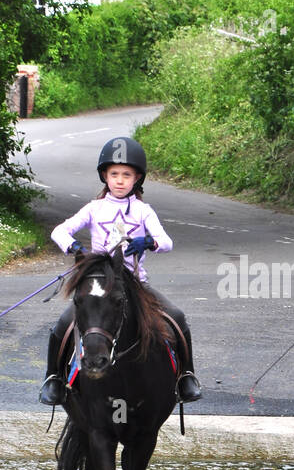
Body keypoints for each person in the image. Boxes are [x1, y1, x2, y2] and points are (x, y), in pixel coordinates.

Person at [39, 136, 202, 405]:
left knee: (177, 316)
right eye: (114, 174)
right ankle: (53, 379)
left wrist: (148, 241)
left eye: (126, 175)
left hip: (135, 285)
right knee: (63, 325)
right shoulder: (94, 207)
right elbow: (59, 231)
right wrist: (73, 246)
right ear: (105, 175)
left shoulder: (143, 211)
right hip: (98, 283)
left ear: (137, 178)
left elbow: (167, 242)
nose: (119, 180)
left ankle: (186, 376)